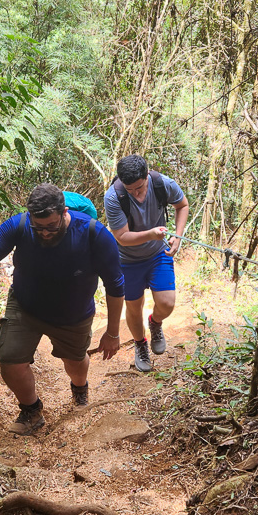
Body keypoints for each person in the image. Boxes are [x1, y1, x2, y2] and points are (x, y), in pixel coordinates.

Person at [0, 183, 125, 435]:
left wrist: (113, 333)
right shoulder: (21, 225)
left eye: (51, 226)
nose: (45, 233)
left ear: (64, 212)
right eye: (39, 227)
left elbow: (115, 284)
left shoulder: (94, 234)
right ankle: (31, 410)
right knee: (10, 359)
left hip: (73, 315)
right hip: (26, 306)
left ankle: (79, 387)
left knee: (75, 363)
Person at [103, 155, 188, 372]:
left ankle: (155, 322)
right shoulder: (114, 197)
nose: (136, 194)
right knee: (133, 305)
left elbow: (182, 204)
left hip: (158, 254)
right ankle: (140, 344)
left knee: (167, 303)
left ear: (147, 176)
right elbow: (121, 237)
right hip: (127, 260)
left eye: (139, 188)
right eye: (130, 190)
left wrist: (177, 236)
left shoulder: (163, 184)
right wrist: (151, 234)